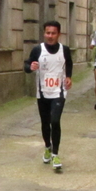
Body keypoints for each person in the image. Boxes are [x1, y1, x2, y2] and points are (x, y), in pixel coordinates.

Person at [24, 21, 73, 171]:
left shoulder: (64, 50)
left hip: (59, 91)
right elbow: (26, 66)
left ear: (59, 34)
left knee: (55, 120)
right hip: (43, 92)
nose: (50, 36)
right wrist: (30, 67)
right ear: (44, 33)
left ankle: (55, 155)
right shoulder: (38, 50)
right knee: (45, 123)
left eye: (53, 33)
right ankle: (47, 147)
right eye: (47, 33)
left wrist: (69, 77)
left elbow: (69, 63)